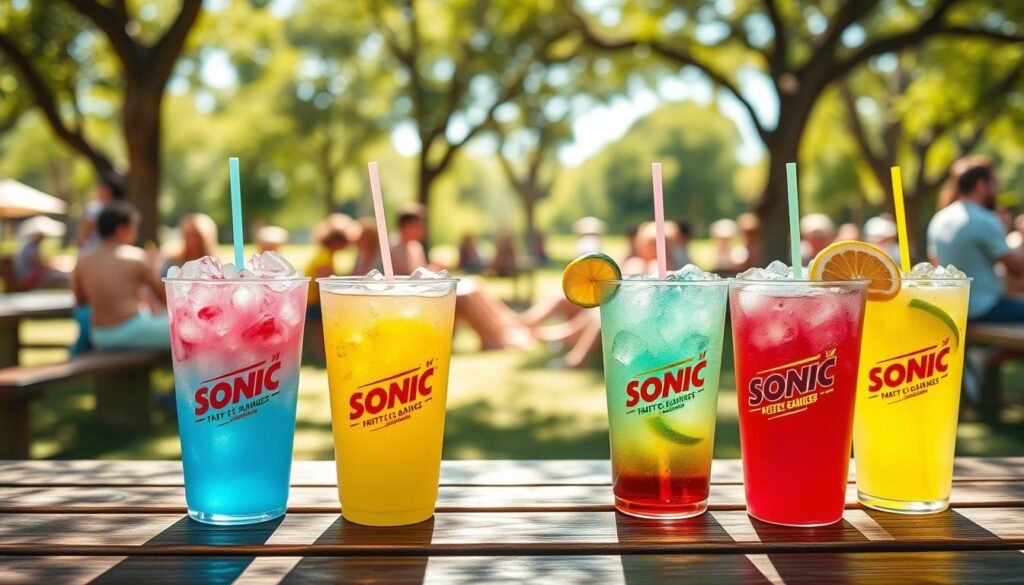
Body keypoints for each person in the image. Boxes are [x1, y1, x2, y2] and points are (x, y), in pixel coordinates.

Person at [928, 156, 1024, 322]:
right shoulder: (985, 219)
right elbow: (1017, 269)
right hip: (983, 308)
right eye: (994, 182)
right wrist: (1008, 231)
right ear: (981, 184)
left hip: (952, 308)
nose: (997, 188)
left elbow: (935, 264)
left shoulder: (939, 218)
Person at [72, 201, 169, 350]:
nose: (136, 233)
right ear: (121, 229)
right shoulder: (136, 256)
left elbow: (81, 301)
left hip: (99, 335)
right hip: (130, 331)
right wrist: (154, 266)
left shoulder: (83, 259)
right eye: (134, 227)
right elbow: (163, 297)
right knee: (187, 330)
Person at [305, 214, 361, 363]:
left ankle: (318, 355)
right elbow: (324, 281)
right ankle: (318, 357)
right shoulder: (325, 256)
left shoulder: (326, 253)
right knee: (319, 330)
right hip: (314, 300)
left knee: (319, 330)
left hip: (314, 299)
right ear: (335, 241)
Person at [14, 216, 69, 290]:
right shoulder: (31, 247)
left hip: (28, 276)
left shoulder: (32, 246)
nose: (43, 238)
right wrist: (51, 266)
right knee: (59, 277)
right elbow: (39, 264)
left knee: (58, 276)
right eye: (42, 236)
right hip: (28, 278)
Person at [76, 171, 125, 250]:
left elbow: (82, 235)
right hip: (97, 251)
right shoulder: (94, 208)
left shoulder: (94, 209)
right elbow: (81, 237)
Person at [390, 203, 431, 275]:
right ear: (407, 225)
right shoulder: (391, 248)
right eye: (419, 224)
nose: (423, 229)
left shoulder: (416, 247)